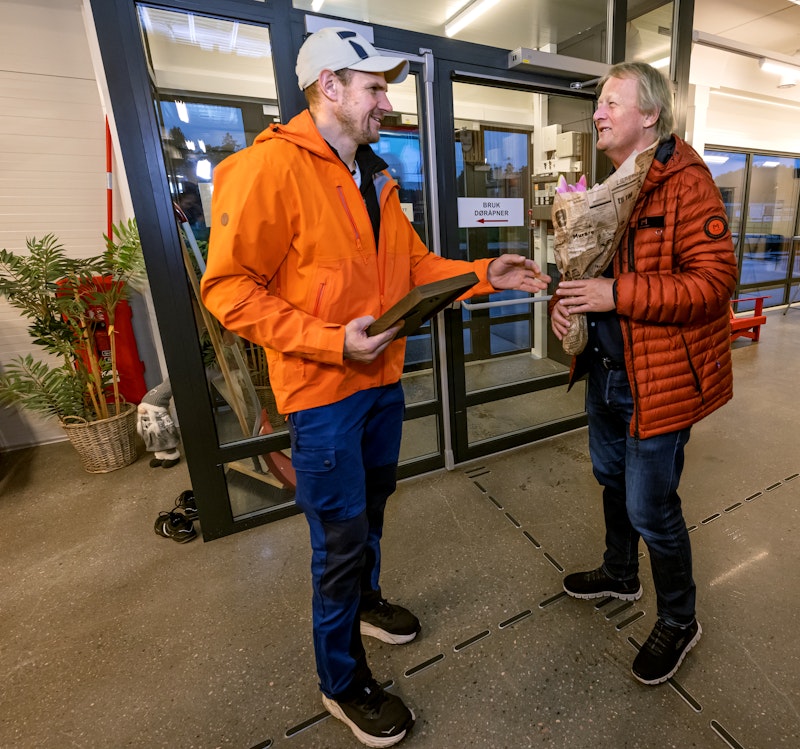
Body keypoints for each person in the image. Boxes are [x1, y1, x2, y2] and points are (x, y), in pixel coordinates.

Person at [200, 27, 548, 748]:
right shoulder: (265, 169)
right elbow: (227, 289)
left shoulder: (375, 176)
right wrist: (333, 340)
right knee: (338, 537)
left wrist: (486, 275)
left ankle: (366, 601)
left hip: (380, 384)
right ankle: (341, 680)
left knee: (373, 511)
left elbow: (415, 268)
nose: (386, 101)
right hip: (322, 395)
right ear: (330, 86)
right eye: (374, 87)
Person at [550, 62, 737, 686]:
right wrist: (569, 308)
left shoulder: (686, 184)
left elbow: (714, 284)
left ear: (649, 115)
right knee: (609, 477)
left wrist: (614, 294)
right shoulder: (613, 187)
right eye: (598, 104)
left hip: (658, 377)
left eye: (610, 103)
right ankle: (620, 573)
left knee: (651, 506)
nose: (597, 113)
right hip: (605, 369)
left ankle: (680, 620)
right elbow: (591, 277)